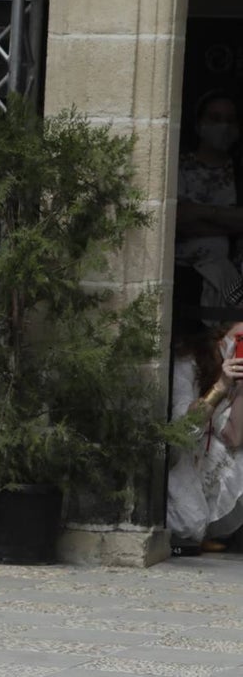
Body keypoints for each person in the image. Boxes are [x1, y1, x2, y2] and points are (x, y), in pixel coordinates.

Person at [167, 320, 243, 553]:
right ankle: (193, 532)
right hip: (180, 448)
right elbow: (182, 426)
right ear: (223, 336)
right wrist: (221, 384)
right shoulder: (190, 362)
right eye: (240, 339)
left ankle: (208, 531)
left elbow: (234, 437)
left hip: (211, 449)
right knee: (188, 521)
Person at [174, 90, 243, 319]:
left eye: (230, 120)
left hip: (231, 277)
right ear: (198, 124)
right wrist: (226, 218)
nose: (223, 126)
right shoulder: (179, 166)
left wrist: (201, 212)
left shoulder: (238, 171)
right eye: (214, 118)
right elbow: (176, 219)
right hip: (181, 276)